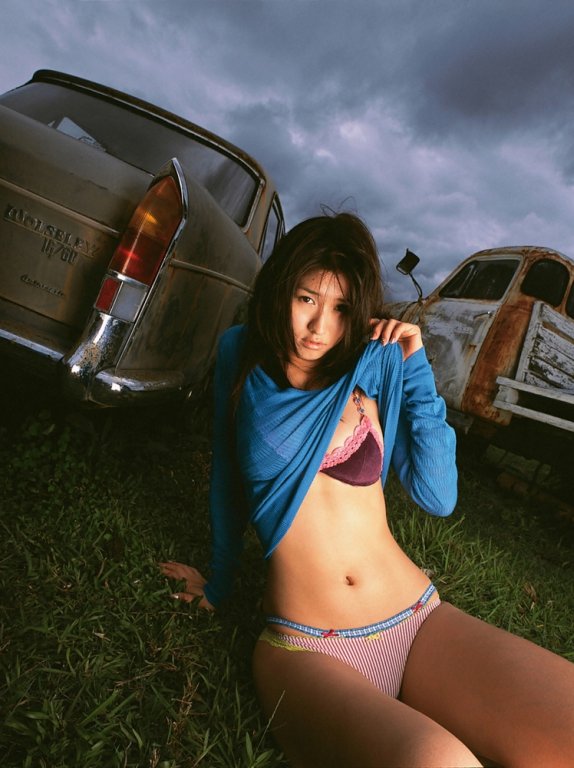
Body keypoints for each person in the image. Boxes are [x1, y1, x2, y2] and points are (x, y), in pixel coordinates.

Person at [160, 213, 574, 767]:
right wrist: (219, 582)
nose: (319, 328)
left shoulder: (372, 359)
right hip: (308, 644)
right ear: (281, 290)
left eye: (340, 309)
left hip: (416, 617)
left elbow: (437, 495)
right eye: (306, 299)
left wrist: (417, 367)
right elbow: (228, 479)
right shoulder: (241, 351)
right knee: (440, 761)